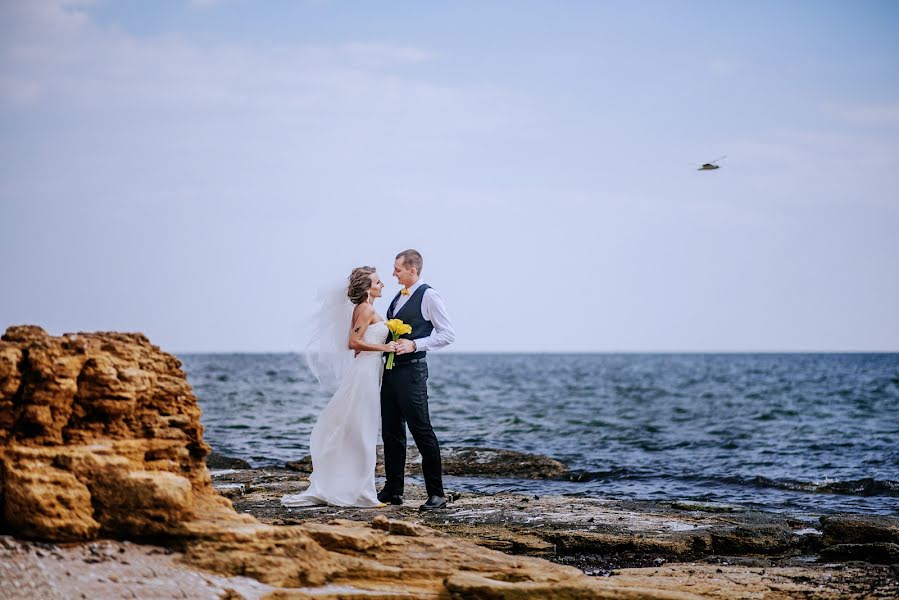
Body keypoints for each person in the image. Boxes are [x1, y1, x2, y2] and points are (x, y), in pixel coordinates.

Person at [281, 266, 397, 508]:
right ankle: (363, 493)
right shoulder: (365, 309)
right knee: (363, 429)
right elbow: (353, 343)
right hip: (365, 373)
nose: (382, 285)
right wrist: (385, 348)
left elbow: (358, 345)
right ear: (367, 288)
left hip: (369, 370)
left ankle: (357, 487)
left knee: (362, 428)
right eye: (378, 282)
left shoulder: (365, 308)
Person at [379, 249, 456, 511]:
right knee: (391, 432)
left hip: (412, 372)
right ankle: (393, 490)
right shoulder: (397, 297)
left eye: (397, 269)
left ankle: (437, 495)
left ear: (412, 270)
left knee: (422, 431)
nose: (393, 273)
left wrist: (414, 344)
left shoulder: (429, 296)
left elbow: (447, 334)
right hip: (389, 372)